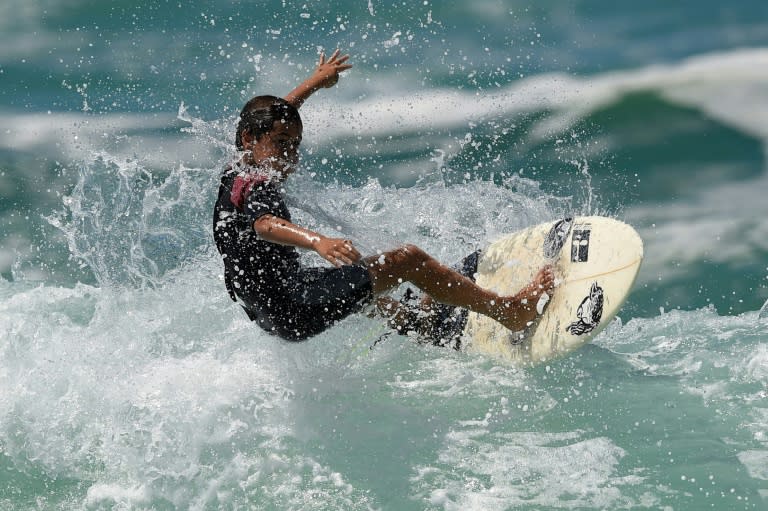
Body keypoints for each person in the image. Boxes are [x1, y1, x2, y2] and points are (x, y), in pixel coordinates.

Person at [213, 49, 554, 342]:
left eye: (295, 145)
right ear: (249, 138)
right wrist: (317, 241)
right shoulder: (257, 182)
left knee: (362, 280)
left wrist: (315, 83)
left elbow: (277, 114)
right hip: (293, 307)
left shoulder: (239, 166)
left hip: (269, 309)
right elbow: (264, 224)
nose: (291, 155)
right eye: (283, 144)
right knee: (407, 260)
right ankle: (510, 312)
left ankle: (417, 323)